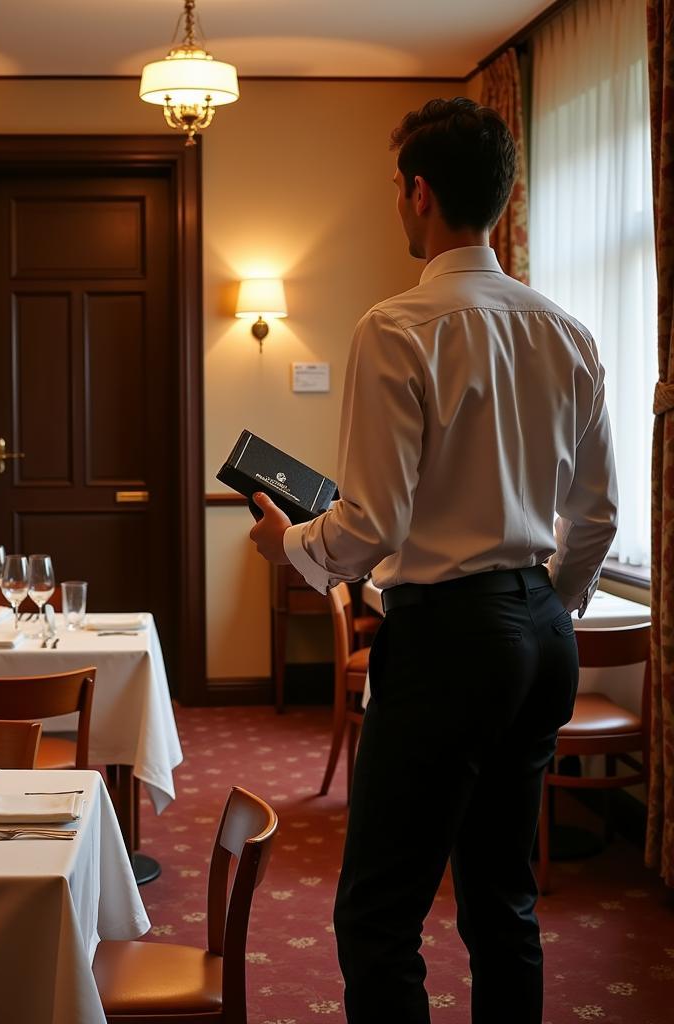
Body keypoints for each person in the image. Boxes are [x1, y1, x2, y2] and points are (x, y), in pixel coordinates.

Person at [249, 97, 618, 1024]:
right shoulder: (569, 332)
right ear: (502, 195)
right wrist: (547, 605)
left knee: (378, 911)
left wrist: (289, 542)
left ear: (417, 193)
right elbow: (598, 515)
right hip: (540, 635)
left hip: (449, 643)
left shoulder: (397, 327)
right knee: (505, 903)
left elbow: (370, 523)